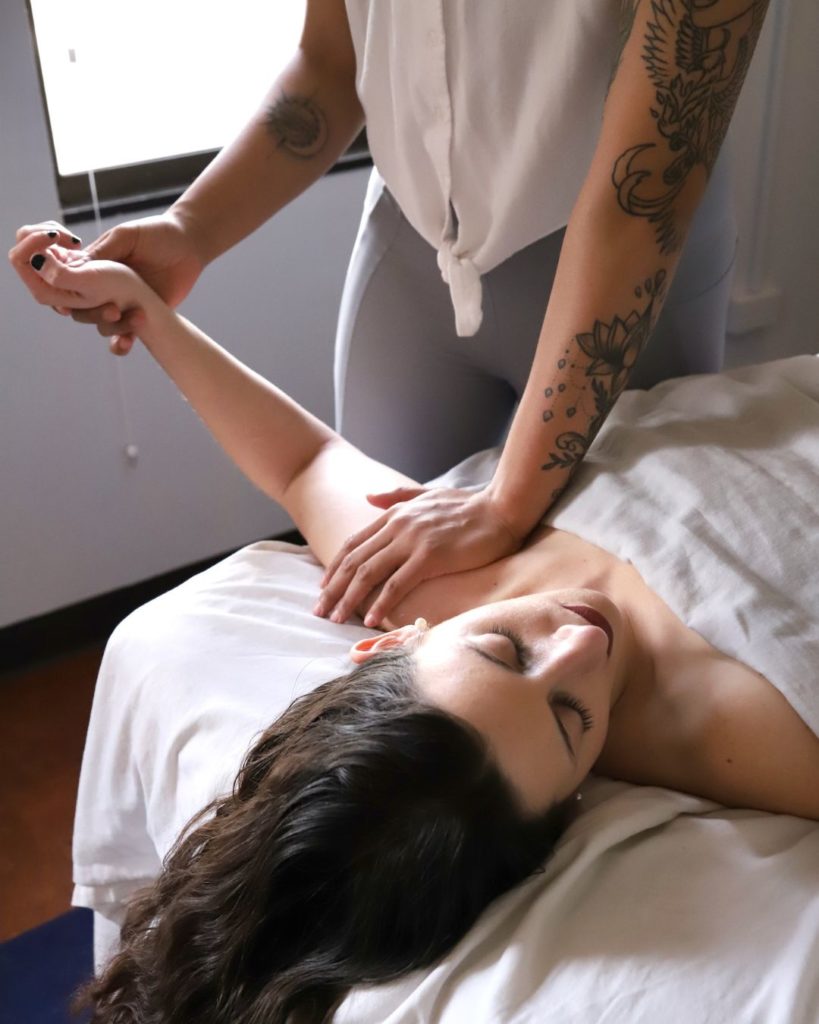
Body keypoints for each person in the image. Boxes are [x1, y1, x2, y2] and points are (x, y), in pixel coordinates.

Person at [20, 245, 818, 1023]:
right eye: (573, 722)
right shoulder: (730, 731)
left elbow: (303, 464)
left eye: (506, 651)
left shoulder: (421, 578)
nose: (580, 645)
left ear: (393, 641)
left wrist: (146, 310)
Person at [9, 0, 770, 632]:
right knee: (379, 588)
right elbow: (333, 64)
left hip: (624, 262)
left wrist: (506, 507)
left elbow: (644, 196)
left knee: (620, 609)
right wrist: (190, 231)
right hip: (412, 247)